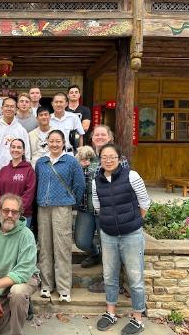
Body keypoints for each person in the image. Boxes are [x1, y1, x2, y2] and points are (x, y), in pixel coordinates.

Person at [92, 144, 150, 335]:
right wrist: (110, 223)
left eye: (112, 157)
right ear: (100, 159)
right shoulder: (96, 180)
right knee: (109, 275)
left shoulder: (131, 176)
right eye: (104, 157)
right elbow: (97, 206)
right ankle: (110, 312)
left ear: (119, 158)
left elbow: (145, 202)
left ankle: (138, 317)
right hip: (108, 234)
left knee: (135, 277)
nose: (108, 160)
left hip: (131, 235)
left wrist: (134, 222)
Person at [76, 125, 130, 296]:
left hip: (108, 209)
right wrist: (78, 166)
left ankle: (111, 282)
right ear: (92, 138)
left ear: (110, 137)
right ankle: (94, 252)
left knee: (110, 247)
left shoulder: (118, 158)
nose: (99, 137)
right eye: (96, 135)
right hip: (86, 207)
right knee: (81, 242)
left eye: (103, 134)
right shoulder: (86, 156)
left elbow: (124, 181)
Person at [0, 193, 39, 335]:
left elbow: (23, 272)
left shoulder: (26, 235)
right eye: (6, 211)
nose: (10, 215)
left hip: (24, 281)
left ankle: (17, 330)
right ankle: (14, 311)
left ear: (19, 214)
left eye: (15, 212)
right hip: (1, 288)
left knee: (17, 293)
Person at [35, 129, 85, 303]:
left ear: (63, 143)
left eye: (58, 141)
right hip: (43, 207)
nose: (54, 144)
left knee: (62, 247)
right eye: (51, 141)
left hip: (62, 208)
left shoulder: (70, 161)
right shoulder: (41, 162)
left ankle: (64, 288)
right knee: (45, 247)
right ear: (47, 142)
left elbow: (79, 185)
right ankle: (47, 285)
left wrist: (69, 201)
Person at [0, 139, 36, 228]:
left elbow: (29, 193)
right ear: (9, 149)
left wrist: (15, 210)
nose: (15, 150)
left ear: (23, 151)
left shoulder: (29, 170)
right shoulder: (3, 170)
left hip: (22, 215)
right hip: (4, 214)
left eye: (19, 147)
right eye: (13, 147)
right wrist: (3, 208)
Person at [0, 97, 30, 175]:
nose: (9, 109)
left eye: (12, 106)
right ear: (2, 108)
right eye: (6, 106)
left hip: (18, 173)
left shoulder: (22, 130)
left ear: (16, 109)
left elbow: (26, 153)